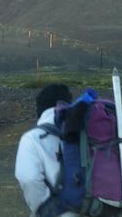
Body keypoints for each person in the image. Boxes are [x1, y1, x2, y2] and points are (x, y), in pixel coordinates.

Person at [15, 83, 74, 217]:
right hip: (92, 209)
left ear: (39, 110)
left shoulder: (32, 138)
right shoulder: (87, 132)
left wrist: (45, 210)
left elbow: (29, 179)